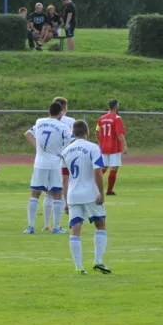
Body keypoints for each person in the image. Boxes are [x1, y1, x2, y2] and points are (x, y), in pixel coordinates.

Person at [61, 119, 111, 275]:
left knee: (75, 230)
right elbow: (97, 172)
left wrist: (66, 201)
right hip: (90, 193)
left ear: (73, 133)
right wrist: (101, 193)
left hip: (73, 195)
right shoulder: (93, 148)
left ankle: (78, 267)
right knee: (101, 225)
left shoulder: (66, 151)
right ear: (87, 132)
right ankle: (98, 261)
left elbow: (64, 178)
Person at [23, 101, 72, 234]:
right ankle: (56, 227)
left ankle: (30, 226)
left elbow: (27, 134)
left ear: (48, 111)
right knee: (57, 194)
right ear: (61, 113)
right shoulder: (63, 127)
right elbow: (72, 140)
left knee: (35, 193)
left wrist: (38, 147)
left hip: (40, 162)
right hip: (55, 163)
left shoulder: (39, 122)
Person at [95, 99, 128, 196]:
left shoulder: (102, 118)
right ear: (116, 106)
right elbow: (119, 133)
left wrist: (101, 141)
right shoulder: (117, 118)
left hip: (104, 146)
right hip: (114, 147)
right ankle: (109, 190)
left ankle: (92, 185)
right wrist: (125, 145)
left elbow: (97, 131)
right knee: (113, 168)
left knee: (103, 167)